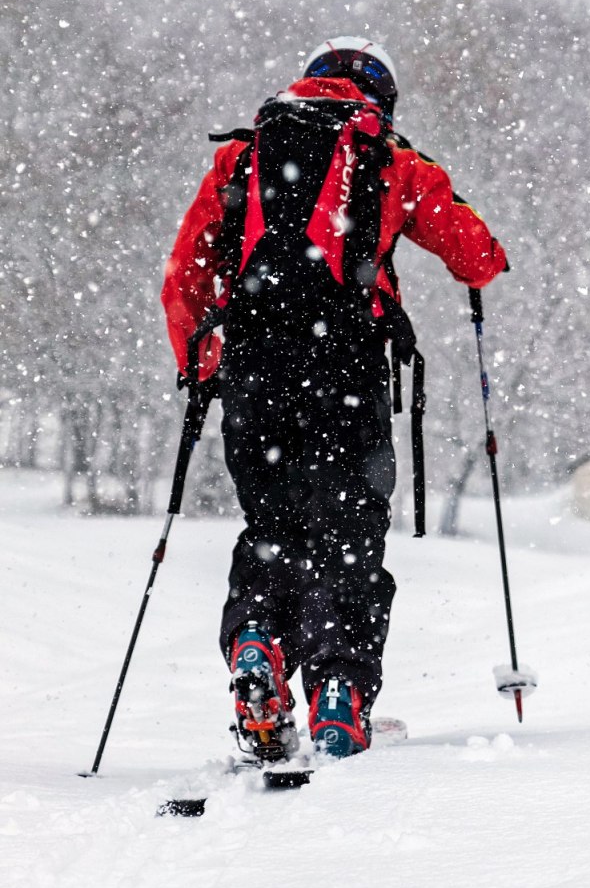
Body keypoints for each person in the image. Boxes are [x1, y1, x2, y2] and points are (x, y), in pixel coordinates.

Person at [161, 37, 507, 762]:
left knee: (273, 527)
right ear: (383, 97)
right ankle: (339, 698)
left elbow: (186, 272)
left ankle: (256, 644)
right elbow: (477, 256)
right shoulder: (390, 159)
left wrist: (203, 363)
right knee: (348, 536)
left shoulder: (244, 155)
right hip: (346, 371)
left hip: (255, 370)